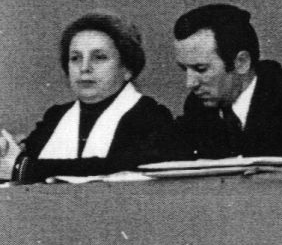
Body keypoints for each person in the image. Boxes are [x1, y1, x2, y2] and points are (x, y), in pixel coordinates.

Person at [0, 12, 173, 182]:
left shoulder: (150, 116)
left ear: (127, 68)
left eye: (99, 57)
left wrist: (27, 169)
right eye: (75, 58)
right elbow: (17, 164)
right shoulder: (55, 117)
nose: (84, 68)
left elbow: (115, 166)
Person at [163, 4, 282, 160]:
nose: (190, 83)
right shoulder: (198, 106)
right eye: (184, 69)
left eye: (201, 69)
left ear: (241, 63)